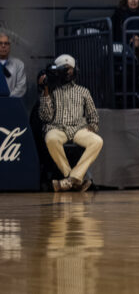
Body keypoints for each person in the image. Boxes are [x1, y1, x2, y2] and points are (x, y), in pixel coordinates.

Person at [38, 54, 102, 192]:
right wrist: (46, 90)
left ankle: (71, 180)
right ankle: (73, 178)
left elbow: (93, 116)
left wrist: (92, 126)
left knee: (97, 141)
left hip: (79, 128)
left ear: (75, 70)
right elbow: (45, 117)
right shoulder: (52, 90)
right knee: (50, 138)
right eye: (64, 69)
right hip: (57, 127)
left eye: (70, 68)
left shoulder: (83, 91)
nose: (68, 72)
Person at [0, 32, 26, 98]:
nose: (3, 46)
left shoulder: (19, 64)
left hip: (12, 104)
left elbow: (21, 87)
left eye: (6, 43)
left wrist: (8, 100)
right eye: (0, 43)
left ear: (9, 46)